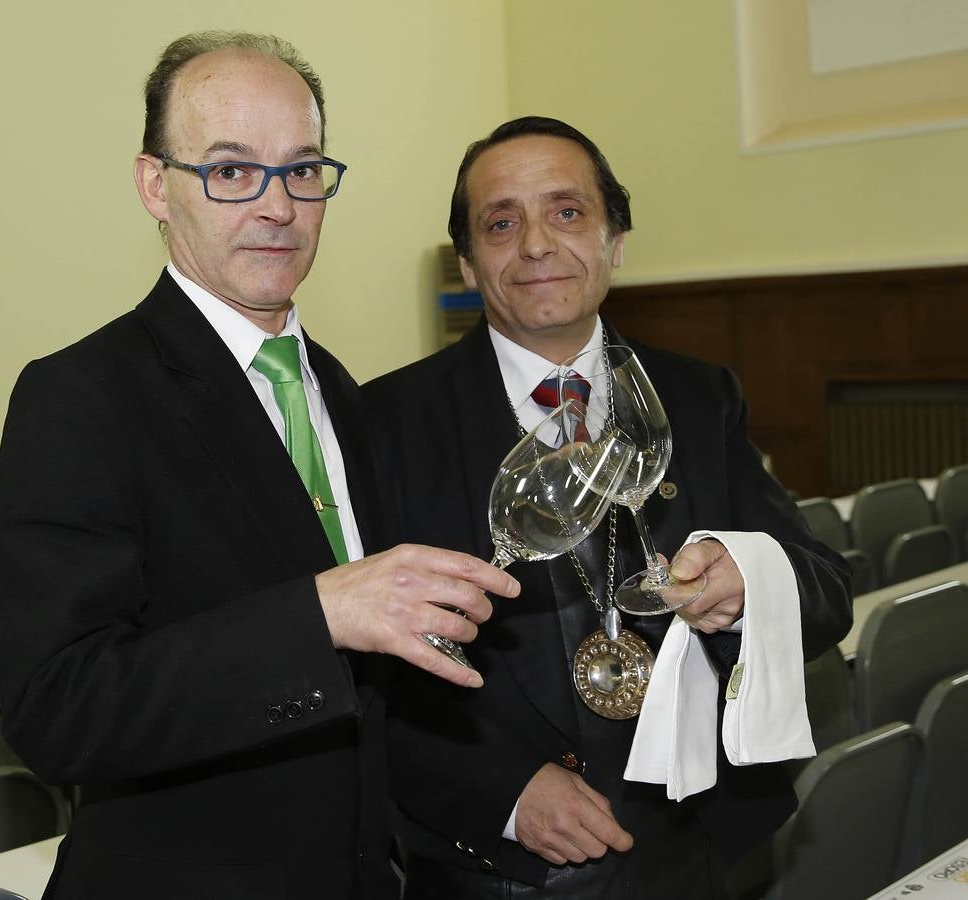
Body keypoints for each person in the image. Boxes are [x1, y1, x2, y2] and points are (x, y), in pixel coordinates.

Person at [0, 32, 518, 900]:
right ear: (156, 186)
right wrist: (317, 616)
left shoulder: (341, 392)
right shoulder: (80, 394)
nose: (278, 206)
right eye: (231, 171)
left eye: (302, 170)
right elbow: (59, 711)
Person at [363, 116, 853, 898]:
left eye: (567, 212)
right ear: (467, 259)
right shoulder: (383, 422)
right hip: (496, 868)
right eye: (500, 222)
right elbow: (359, 676)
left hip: (684, 848)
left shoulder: (699, 398)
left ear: (615, 239)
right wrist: (505, 793)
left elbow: (826, 595)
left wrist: (750, 584)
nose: (535, 245)